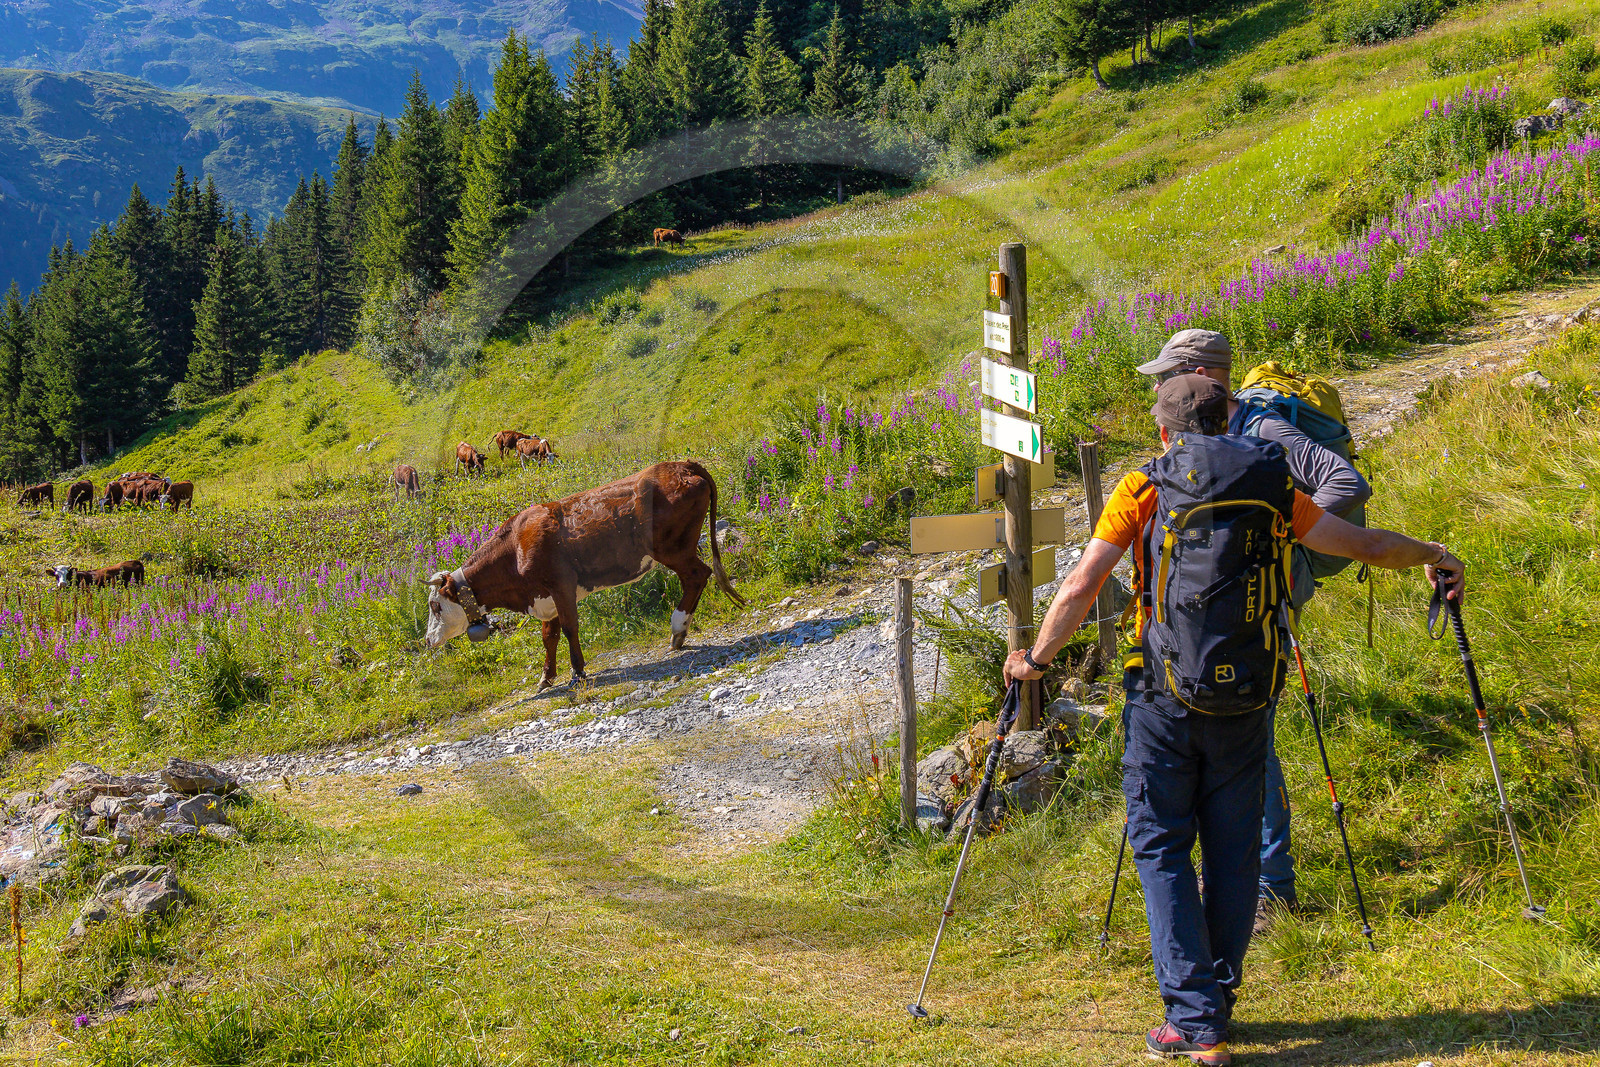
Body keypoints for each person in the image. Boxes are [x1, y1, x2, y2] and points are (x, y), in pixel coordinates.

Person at [1003, 376, 1464, 1066]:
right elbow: (1361, 546)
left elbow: (1081, 584)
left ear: (1165, 431)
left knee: (1161, 845)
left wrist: (1034, 660)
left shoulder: (1145, 486)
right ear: (1232, 421)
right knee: (1234, 850)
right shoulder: (1272, 484)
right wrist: (1433, 553)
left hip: (1160, 698)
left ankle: (1196, 1023)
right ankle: (1216, 1002)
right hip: (1249, 696)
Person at [1136, 328, 1371, 929]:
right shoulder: (1207, 435)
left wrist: (1280, 536)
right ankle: (1237, 873)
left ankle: (1272, 884)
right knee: (1224, 727)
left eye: (1167, 373)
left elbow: (1345, 482)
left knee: (1251, 731)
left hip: (1265, 594)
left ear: (1197, 373)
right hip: (1218, 601)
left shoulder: (1264, 430)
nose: (1161, 384)